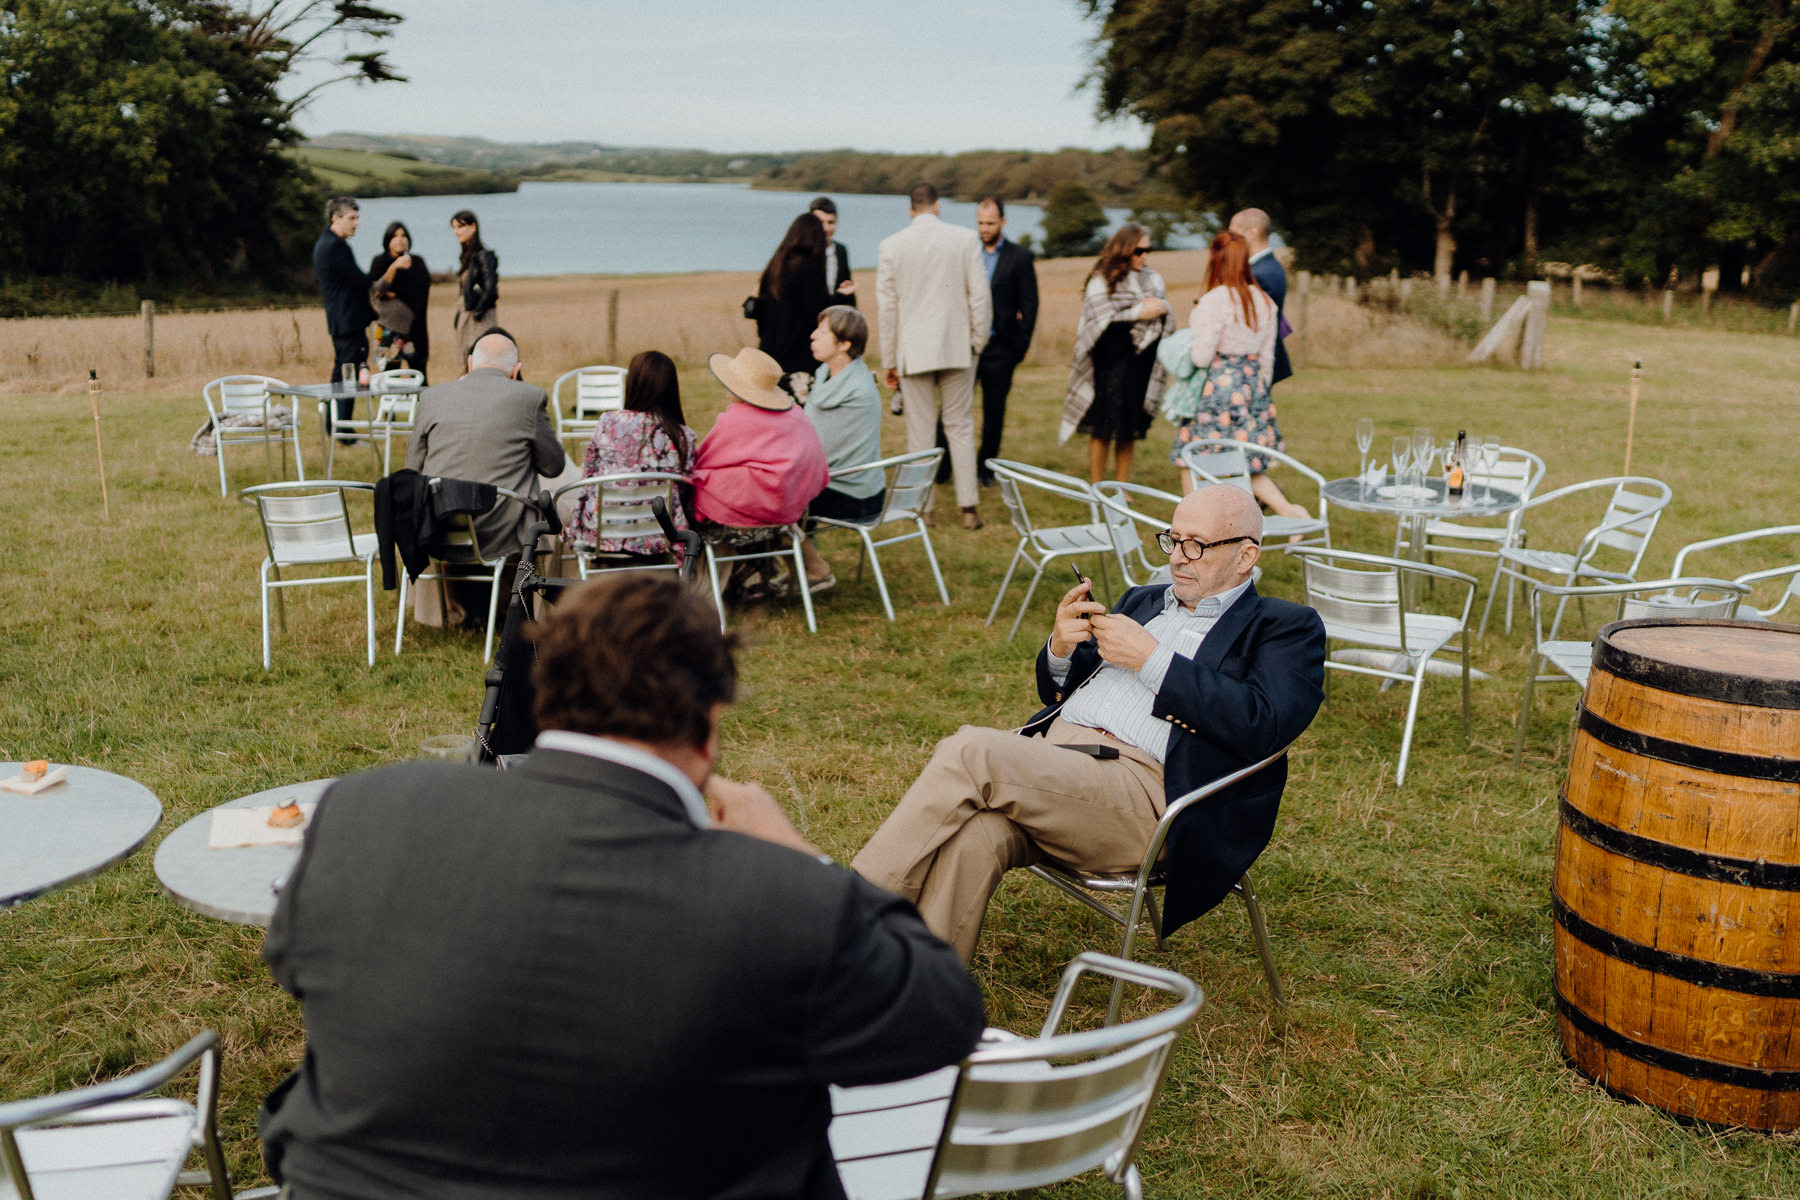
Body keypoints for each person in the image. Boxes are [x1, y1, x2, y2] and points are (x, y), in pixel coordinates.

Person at [258, 573, 985, 1200]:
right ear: (711, 723)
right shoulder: (782, 903)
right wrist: (802, 856)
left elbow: (296, 967)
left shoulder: (363, 809)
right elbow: (943, 1013)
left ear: (548, 700)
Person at [853, 483, 1327, 961]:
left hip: (1147, 797)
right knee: (978, 836)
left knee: (970, 750)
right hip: (1060, 765)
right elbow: (1064, 687)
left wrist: (1153, 660)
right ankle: (914, 995)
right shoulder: (1143, 599)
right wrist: (1061, 648)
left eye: (1197, 545)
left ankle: (844, 915)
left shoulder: (1284, 626)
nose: (1178, 557)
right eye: (1172, 539)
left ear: (1246, 556)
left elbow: (1263, 724)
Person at [875, 183, 992, 529]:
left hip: (913, 351)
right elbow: (980, 297)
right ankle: (968, 508)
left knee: (919, 433)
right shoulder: (965, 239)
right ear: (937, 207)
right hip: (958, 347)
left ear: (911, 210)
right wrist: (977, 342)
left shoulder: (891, 246)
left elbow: (887, 308)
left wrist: (890, 360)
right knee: (960, 426)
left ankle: (924, 510)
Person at [1174, 231, 1309, 519]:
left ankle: (1193, 523)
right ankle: (1292, 513)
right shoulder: (1264, 302)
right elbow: (1267, 358)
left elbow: (1201, 356)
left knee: (1192, 457)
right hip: (1252, 386)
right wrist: (1258, 391)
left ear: (1216, 261)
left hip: (1218, 388)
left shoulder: (1214, 301)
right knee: (1246, 461)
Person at [405, 330, 565, 560]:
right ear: (516, 371)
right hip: (503, 531)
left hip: (439, 528)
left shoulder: (432, 397)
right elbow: (553, 466)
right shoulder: (529, 397)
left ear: (470, 363)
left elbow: (411, 468)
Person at [691, 346, 832, 602]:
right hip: (784, 513)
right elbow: (816, 461)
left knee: (699, 488)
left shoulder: (734, 420)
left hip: (740, 518)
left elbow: (704, 461)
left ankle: (698, 583)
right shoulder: (796, 416)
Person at [935, 195, 1039, 488]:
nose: (984, 228)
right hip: (964, 345)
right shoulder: (963, 251)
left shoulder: (1020, 257)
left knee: (994, 412)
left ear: (1003, 222)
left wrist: (1019, 347)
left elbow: (1030, 305)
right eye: (980, 222)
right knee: (951, 408)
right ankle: (942, 467)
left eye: (990, 223)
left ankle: (985, 469)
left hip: (1000, 348)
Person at [1061, 223, 1170, 483]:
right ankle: (1097, 485)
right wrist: (1138, 313)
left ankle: (1122, 487)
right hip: (1108, 359)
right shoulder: (1101, 279)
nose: (1145, 256)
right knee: (1103, 424)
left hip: (1140, 359)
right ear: (1125, 249)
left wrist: (1160, 309)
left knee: (1129, 428)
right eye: (1139, 250)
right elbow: (1097, 318)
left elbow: (1163, 310)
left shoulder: (1153, 278)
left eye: (1148, 250)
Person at [564, 349, 697, 562]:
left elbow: (589, 477)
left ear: (632, 384)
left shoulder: (608, 423)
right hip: (658, 538)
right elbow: (683, 491)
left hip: (601, 535)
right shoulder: (684, 436)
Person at [798, 306, 883, 593]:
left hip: (853, 495)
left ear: (844, 344)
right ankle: (789, 567)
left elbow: (810, 449)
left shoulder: (852, 389)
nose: (812, 336)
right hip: (855, 485)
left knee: (774, 501)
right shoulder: (829, 374)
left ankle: (815, 570)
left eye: (822, 332)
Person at [312, 196, 375, 436]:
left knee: (342, 373)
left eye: (357, 218)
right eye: (351, 218)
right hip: (348, 320)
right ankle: (343, 429)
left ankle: (335, 426)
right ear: (335, 218)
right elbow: (360, 280)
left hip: (340, 319)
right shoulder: (335, 246)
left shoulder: (325, 242)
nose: (356, 223)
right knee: (349, 375)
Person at [755, 212, 834, 382]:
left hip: (769, 352)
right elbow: (815, 314)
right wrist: (841, 298)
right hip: (799, 356)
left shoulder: (775, 265)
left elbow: (761, 312)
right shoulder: (809, 269)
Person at [1229, 207, 1292, 389]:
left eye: (1234, 233)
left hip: (1255, 361)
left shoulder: (1261, 273)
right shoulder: (1265, 267)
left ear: (1252, 233)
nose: (1231, 240)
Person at [366, 220, 430, 381]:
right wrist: (393, 268)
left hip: (415, 328)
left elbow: (421, 291)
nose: (400, 239)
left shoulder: (417, 262)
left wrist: (394, 293)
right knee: (388, 376)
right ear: (388, 240)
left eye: (403, 235)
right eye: (395, 236)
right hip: (388, 329)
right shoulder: (379, 262)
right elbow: (378, 288)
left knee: (419, 375)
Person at [450, 209, 500, 360]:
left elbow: (490, 287)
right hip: (468, 313)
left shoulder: (483, 254)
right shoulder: (467, 256)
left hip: (480, 317)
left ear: (473, 227)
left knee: (482, 356)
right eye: (454, 228)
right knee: (469, 357)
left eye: (460, 227)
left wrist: (478, 311)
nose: (456, 232)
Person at [810, 196, 857, 306]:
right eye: (820, 222)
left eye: (830, 222)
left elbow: (846, 283)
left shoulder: (840, 250)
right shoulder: (800, 252)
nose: (826, 228)